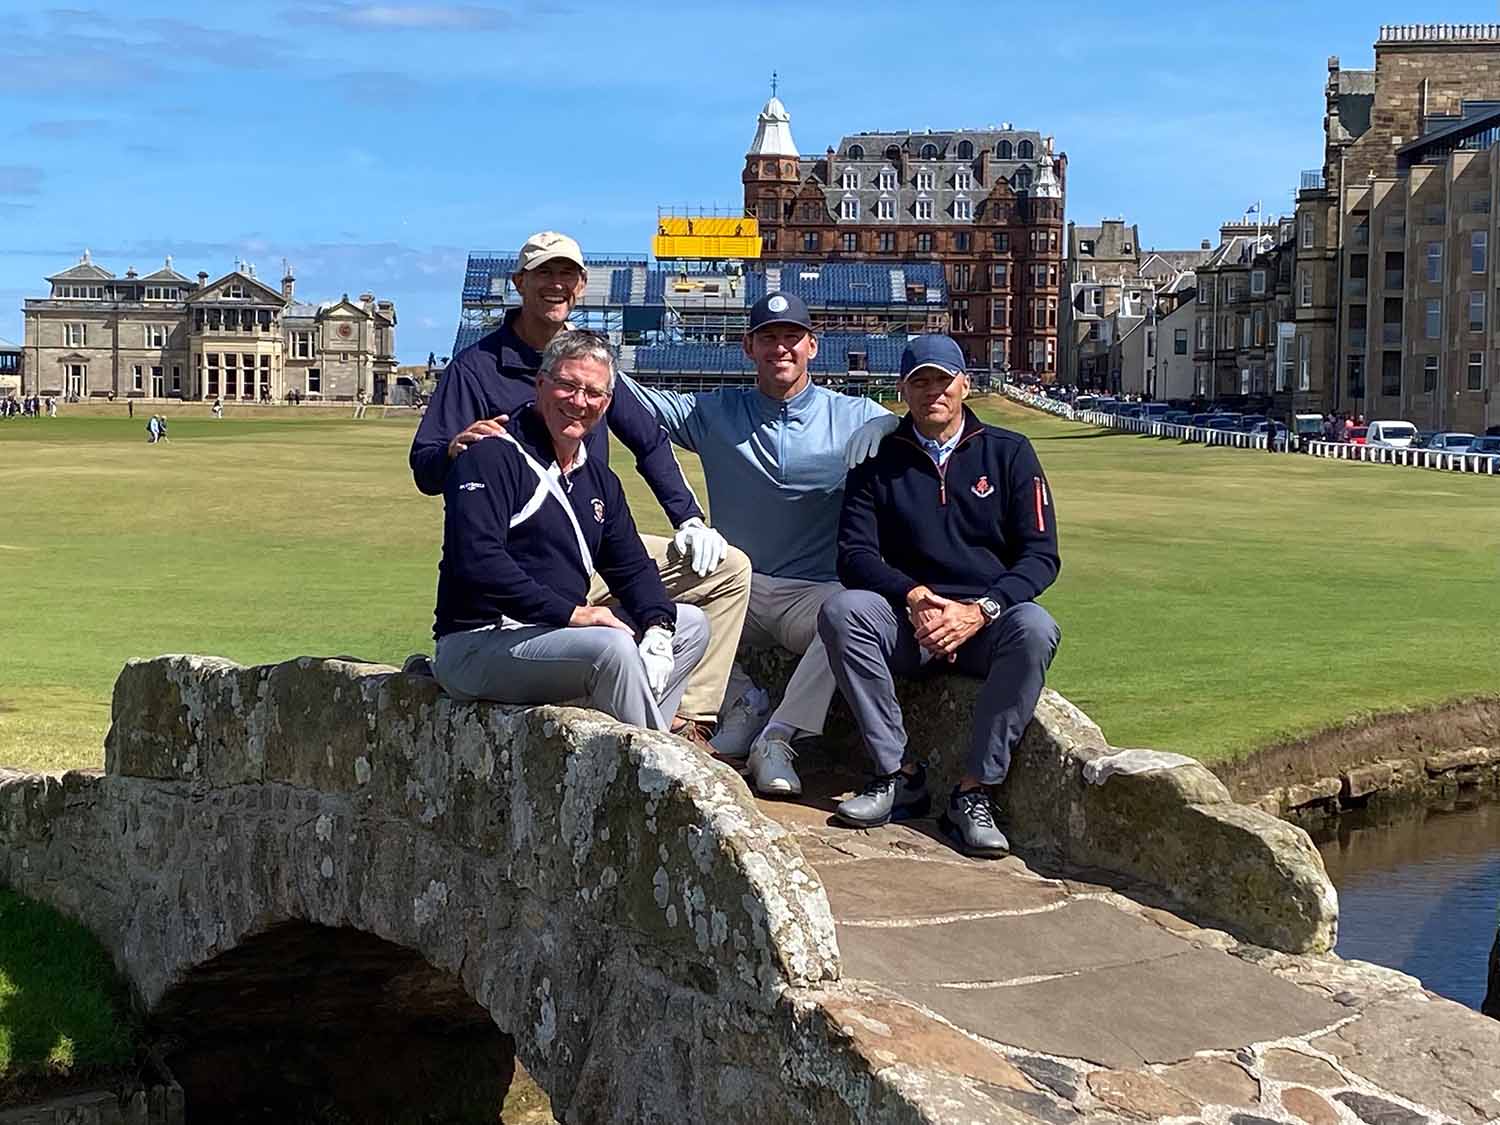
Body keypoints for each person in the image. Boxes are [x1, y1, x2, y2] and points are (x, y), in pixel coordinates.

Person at [410, 231, 750, 742]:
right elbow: (431, 476)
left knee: (719, 582)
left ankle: (687, 718)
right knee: (608, 645)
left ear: (582, 285)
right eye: (543, 273)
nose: (579, 401)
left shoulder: (595, 370)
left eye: (565, 274)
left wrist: (689, 520)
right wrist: (456, 449)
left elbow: (650, 442)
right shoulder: (477, 377)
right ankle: (660, 760)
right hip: (512, 574)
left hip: (580, 553)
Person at [623, 292, 903, 798]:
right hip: (737, 593)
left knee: (851, 616)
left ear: (812, 346)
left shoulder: (855, 413)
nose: (781, 347)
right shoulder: (715, 411)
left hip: (812, 592)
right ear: (748, 347)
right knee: (638, 600)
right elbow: (631, 399)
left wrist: (894, 426)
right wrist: (562, 342)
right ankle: (742, 701)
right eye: (768, 337)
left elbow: (936, 434)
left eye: (791, 337)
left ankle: (776, 738)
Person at [817, 335, 1062, 857]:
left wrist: (981, 610)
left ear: (965, 385)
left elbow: (1041, 556)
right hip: (909, 620)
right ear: (903, 389)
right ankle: (897, 775)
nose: (933, 392)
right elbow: (853, 555)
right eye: (920, 381)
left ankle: (974, 793)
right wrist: (913, 595)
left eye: (943, 380)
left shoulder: (1009, 453)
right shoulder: (876, 458)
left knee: (1037, 628)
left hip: (983, 623)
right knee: (843, 610)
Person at [431, 331, 709, 732]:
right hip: (479, 642)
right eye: (567, 385)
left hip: (555, 636)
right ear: (541, 384)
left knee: (690, 625)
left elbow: (631, 567)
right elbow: (477, 560)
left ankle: (633, 742)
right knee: (611, 648)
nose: (579, 402)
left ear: (607, 403)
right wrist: (573, 614)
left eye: (593, 393)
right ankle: (652, 770)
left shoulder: (597, 478)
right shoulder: (490, 454)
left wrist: (658, 628)